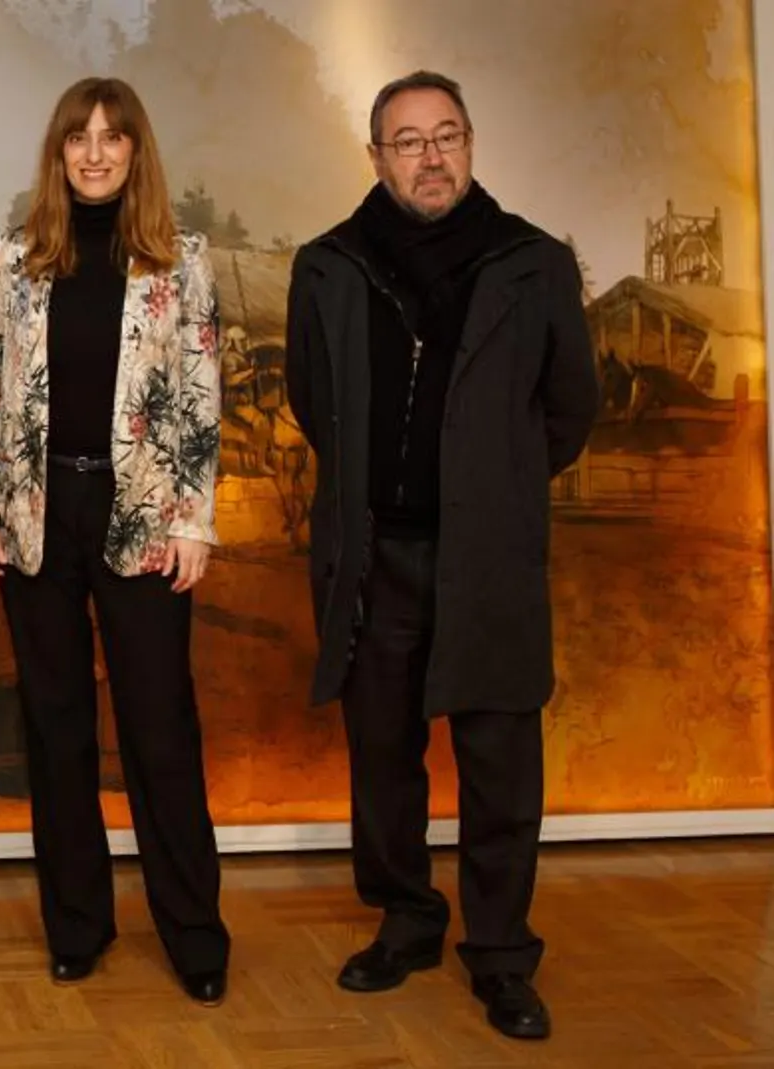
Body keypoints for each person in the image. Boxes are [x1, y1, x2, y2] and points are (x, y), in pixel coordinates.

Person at [284, 70, 599, 1041]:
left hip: (488, 558)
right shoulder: (329, 264)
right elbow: (310, 398)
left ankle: (501, 955)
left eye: (446, 135)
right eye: (407, 140)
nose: (429, 155)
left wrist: (489, 485)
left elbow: (569, 409)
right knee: (383, 757)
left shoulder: (532, 262)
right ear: (375, 157)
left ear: (469, 144)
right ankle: (407, 918)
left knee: (500, 760)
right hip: (375, 554)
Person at [0, 76, 229, 1006]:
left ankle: (194, 934)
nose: (97, 151)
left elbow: (199, 399)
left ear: (136, 151)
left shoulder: (183, 262)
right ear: (59, 152)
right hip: (40, 519)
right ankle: (78, 924)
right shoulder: (16, 262)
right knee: (56, 729)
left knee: (160, 732)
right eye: (80, 136)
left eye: (114, 137)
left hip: (145, 521)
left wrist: (194, 521)